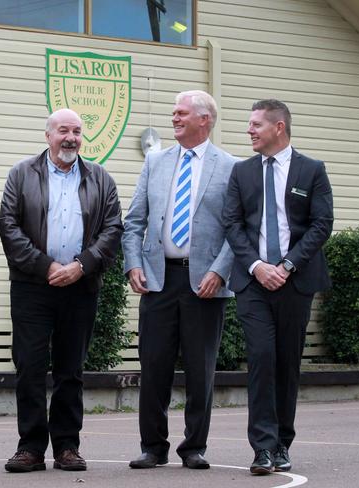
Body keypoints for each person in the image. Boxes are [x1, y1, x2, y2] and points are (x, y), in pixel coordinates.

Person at [0, 108, 123, 473]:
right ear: (48, 135)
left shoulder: (100, 178)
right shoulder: (22, 174)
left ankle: (67, 447)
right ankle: (30, 448)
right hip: (32, 286)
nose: (71, 138)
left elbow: (113, 228)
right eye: (63, 130)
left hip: (80, 286)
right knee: (30, 367)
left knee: (71, 370)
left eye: (77, 131)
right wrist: (45, 265)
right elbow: (8, 225)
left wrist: (81, 266)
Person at [122, 90, 235, 469]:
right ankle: (152, 447)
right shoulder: (155, 162)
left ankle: (194, 448)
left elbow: (239, 229)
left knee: (201, 370)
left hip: (205, 283)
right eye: (173, 113)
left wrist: (220, 271)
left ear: (205, 119)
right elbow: (134, 221)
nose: (174, 118)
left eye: (182, 113)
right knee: (154, 367)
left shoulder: (231, 166)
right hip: (158, 279)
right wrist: (133, 264)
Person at [222, 99, 334, 475]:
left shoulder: (312, 170)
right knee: (261, 359)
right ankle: (262, 449)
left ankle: (283, 442)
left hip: (295, 281)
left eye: (255, 124)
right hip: (253, 283)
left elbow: (321, 224)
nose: (249, 130)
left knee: (287, 363)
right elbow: (232, 224)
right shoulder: (242, 172)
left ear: (279, 128)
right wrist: (257, 266)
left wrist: (286, 266)